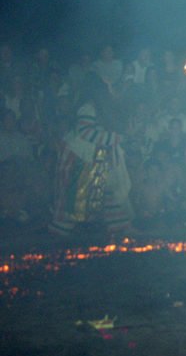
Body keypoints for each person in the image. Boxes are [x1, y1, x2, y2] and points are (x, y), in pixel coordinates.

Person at [49, 74, 134, 236]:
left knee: (110, 191)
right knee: (73, 199)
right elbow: (86, 133)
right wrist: (116, 138)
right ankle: (58, 234)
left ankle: (120, 227)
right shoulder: (87, 108)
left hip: (97, 159)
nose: (110, 89)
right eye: (107, 86)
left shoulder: (102, 109)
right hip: (79, 161)